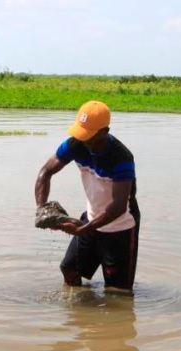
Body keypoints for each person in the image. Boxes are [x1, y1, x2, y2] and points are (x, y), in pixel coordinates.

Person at [35, 100, 140, 291]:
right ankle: (80, 311)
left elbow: (118, 206)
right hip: (91, 218)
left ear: (105, 131)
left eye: (89, 136)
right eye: (81, 133)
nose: (84, 140)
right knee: (69, 269)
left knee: (118, 291)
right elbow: (45, 172)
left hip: (120, 227)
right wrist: (42, 211)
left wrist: (84, 229)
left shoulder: (121, 158)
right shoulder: (75, 144)